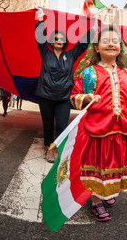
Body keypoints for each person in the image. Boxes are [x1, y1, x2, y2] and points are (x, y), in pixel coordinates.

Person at [70, 24, 127, 222]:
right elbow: (74, 97)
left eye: (115, 41)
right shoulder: (88, 73)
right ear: (96, 47)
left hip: (123, 129)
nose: (111, 44)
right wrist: (86, 98)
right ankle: (96, 201)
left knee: (116, 164)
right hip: (97, 131)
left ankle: (108, 192)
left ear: (121, 47)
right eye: (105, 41)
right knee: (99, 166)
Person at [35, 8, 95, 162]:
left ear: (65, 41)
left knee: (61, 126)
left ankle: (57, 148)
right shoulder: (45, 53)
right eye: (55, 38)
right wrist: (41, 19)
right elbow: (39, 38)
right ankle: (49, 149)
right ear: (51, 41)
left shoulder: (70, 55)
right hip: (45, 96)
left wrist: (93, 27)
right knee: (47, 126)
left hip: (63, 98)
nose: (58, 40)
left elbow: (82, 44)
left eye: (61, 38)